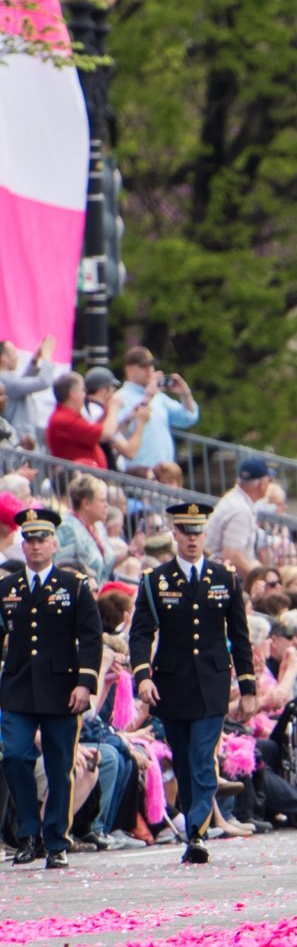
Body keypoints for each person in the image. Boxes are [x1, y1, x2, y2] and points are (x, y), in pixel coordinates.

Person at [126, 504, 256, 863]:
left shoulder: (225, 578)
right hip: (172, 682)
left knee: (202, 756)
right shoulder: (156, 581)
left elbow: (240, 638)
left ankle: (196, 830)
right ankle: (195, 826)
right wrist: (142, 676)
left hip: (212, 682)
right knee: (183, 760)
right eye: (186, 531)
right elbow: (140, 634)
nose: (193, 538)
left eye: (198, 531)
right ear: (175, 534)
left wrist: (248, 689)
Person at [0, 508, 104, 868]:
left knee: (60, 765)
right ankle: (30, 834)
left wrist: (86, 683)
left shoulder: (73, 586)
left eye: (42, 538)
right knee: (14, 755)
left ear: (55, 543)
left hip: (62, 688)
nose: (35, 546)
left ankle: (56, 839)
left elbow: (91, 638)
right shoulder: (7, 587)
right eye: (28, 539)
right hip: (18, 687)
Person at [114, 347, 199, 467]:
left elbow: (188, 418)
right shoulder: (119, 398)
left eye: (151, 366)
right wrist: (148, 397)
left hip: (164, 472)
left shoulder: (159, 397)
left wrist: (185, 393)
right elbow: (116, 431)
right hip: (137, 471)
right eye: (144, 367)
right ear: (129, 369)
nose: (149, 371)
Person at [203, 456, 272, 576]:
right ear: (262, 484)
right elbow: (232, 557)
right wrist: (261, 578)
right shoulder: (240, 510)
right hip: (219, 578)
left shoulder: (235, 499)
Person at [44, 372, 125, 469]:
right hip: (78, 481)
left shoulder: (69, 416)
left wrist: (107, 409)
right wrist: (113, 408)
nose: (85, 394)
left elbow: (97, 429)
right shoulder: (64, 420)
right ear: (73, 394)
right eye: (83, 390)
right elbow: (106, 434)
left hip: (86, 479)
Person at [0, 335, 58, 438]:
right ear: (4, 359)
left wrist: (36, 358)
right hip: (20, 443)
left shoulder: (7, 381)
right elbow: (43, 382)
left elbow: (22, 382)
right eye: (14, 353)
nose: (17, 356)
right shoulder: (4, 380)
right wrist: (47, 357)